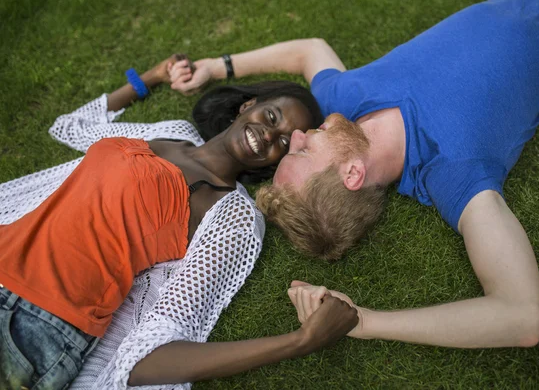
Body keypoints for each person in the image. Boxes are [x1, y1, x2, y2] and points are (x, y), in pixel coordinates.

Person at [169, 0, 539, 349]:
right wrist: (364, 321)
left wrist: (218, 66)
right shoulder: (453, 171)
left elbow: (310, 50)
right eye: (301, 152)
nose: (298, 136)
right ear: (352, 174)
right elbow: (522, 315)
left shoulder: (344, 106)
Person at [0, 55, 358, 390]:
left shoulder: (235, 216)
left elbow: (152, 350)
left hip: (35, 327)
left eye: (282, 141)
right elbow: (71, 127)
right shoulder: (171, 132)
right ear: (248, 105)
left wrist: (300, 341)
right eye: (272, 117)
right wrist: (149, 78)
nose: (269, 135)